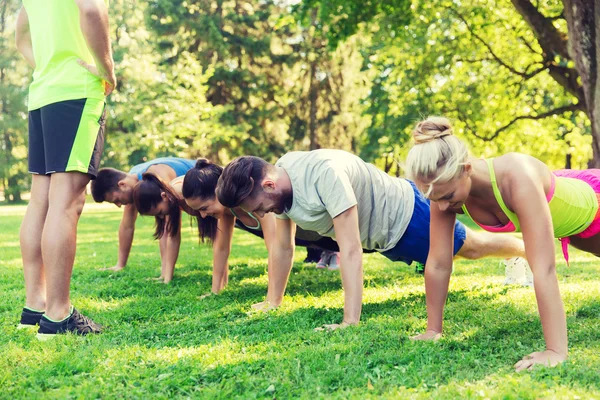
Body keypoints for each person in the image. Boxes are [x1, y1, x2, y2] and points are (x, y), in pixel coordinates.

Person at [215, 150, 529, 329]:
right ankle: (516, 250)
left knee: (470, 249)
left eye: (259, 207)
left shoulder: (324, 174)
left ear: (268, 184)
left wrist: (350, 320)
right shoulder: (279, 191)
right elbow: (282, 248)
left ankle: (520, 250)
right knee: (460, 253)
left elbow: (349, 250)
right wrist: (273, 302)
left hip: (407, 217)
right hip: (384, 238)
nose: (262, 214)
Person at [404, 116, 600, 371]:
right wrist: (433, 330)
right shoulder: (442, 190)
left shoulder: (517, 177)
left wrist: (555, 351)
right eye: (433, 198)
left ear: (466, 168)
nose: (440, 206)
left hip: (591, 204)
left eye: (447, 196)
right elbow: (439, 263)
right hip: (570, 223)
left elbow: (543, 268)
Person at [16, 0, 115, 338]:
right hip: (76, 90)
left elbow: (21, 34)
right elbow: (91, 9)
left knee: (40, 200)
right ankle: (57, 315)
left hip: (43, 93)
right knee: (66, 202)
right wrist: (107, 70)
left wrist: (46, 68)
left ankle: (35, 305)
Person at [143, 159, 342, 293]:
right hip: (308, 237)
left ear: (218, 191)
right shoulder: (228, 212)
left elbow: (276, 248)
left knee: (362, 244)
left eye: (205, 207)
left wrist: (272, 298)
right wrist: (216, 290)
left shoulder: (253, 201)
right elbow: (221, 249)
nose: (203, 215)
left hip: (320, 234)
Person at [90, 157, 195, 278]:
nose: (119, 205)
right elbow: (126, 227)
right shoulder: (133, 185)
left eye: (116, 200)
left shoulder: (157, 177)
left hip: (206, 181)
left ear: (122, 185)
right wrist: (120, 265)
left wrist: (166, 275)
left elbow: (170, 228)